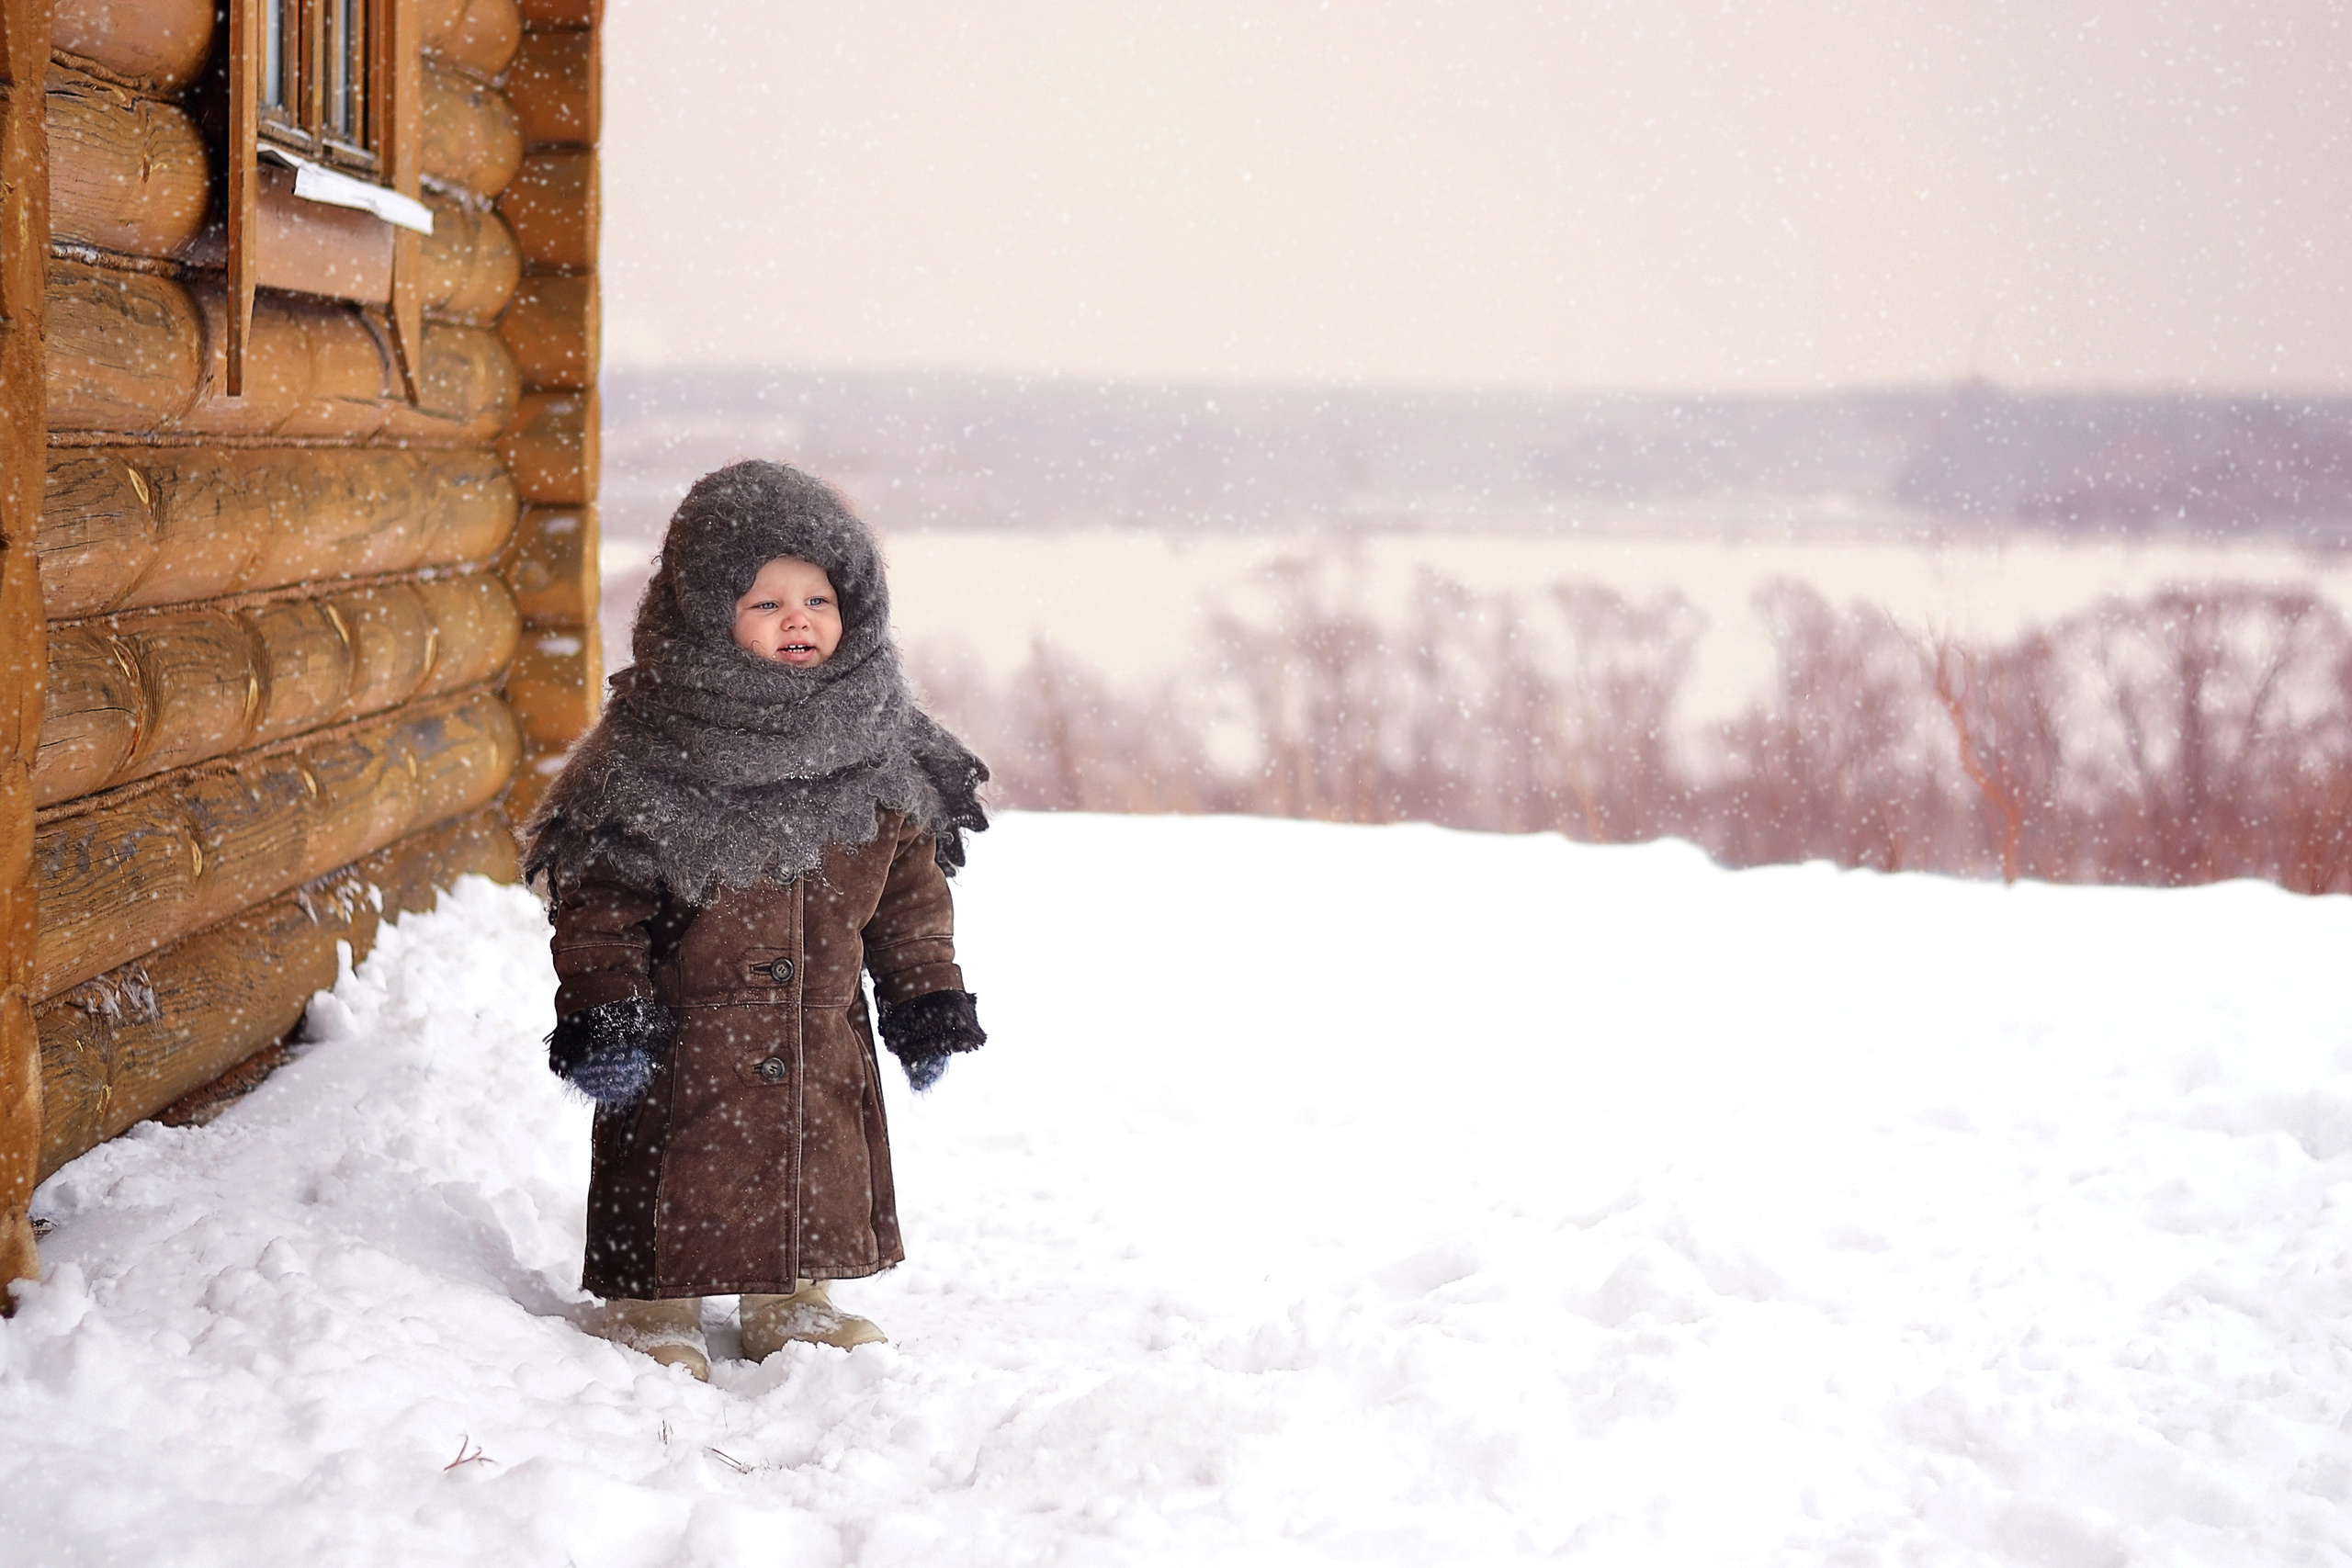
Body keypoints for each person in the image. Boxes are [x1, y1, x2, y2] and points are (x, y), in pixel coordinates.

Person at [520, 460, 989, 1381]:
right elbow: (598, 902)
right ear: (704, 615)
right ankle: (651, 1302)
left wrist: (924, 993)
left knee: (811, 1163)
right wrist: (607, 1011)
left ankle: (795, 1297)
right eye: (764, 604)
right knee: (670, 1170)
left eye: (818, 598)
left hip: (819, 1030)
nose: (799, 621)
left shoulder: (881, 742)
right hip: (685, 1031)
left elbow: (908, 892)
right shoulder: (649, 748)